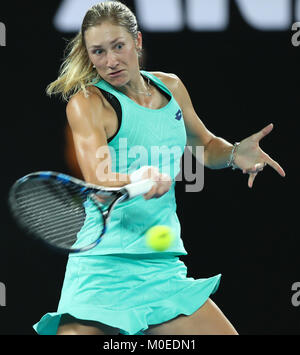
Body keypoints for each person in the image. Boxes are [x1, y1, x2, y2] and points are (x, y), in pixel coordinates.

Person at [33, 1, 285, 335]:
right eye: (98, 52)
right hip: (102, 268)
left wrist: (235, 152)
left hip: (159, 264)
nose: (110, 62)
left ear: (137, 41)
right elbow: (98, 177)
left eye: (118, 46)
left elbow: (206, 146)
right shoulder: (88, 103)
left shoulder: (172, 88)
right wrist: (139, 178)